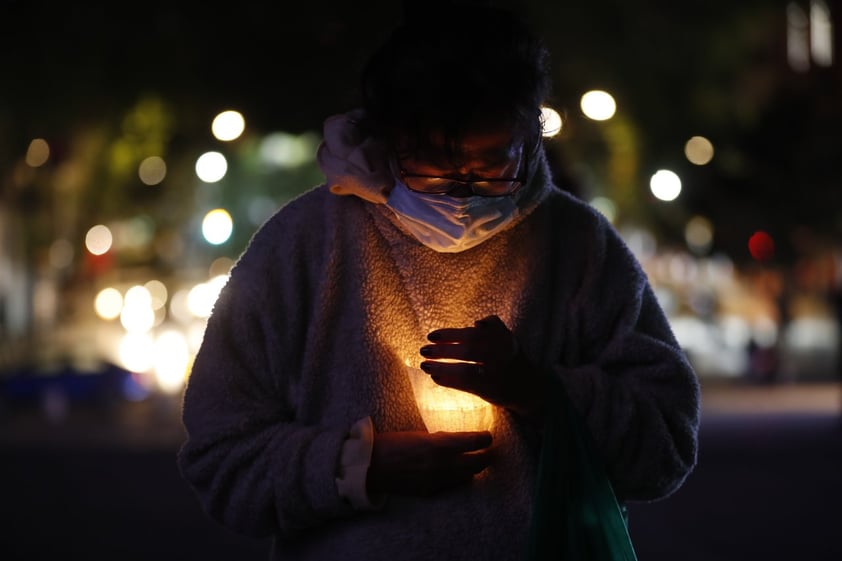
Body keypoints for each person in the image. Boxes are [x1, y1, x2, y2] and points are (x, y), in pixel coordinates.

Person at [176, 2, 701, 559]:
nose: (461, 192)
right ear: (389, 137)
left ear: (530, 136)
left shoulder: (581, 249)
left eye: (492, 166)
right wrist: (358, 467)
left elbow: (666, 447)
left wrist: (540, 394)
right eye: (433, 163)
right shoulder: (302, 246)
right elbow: (220, 459)